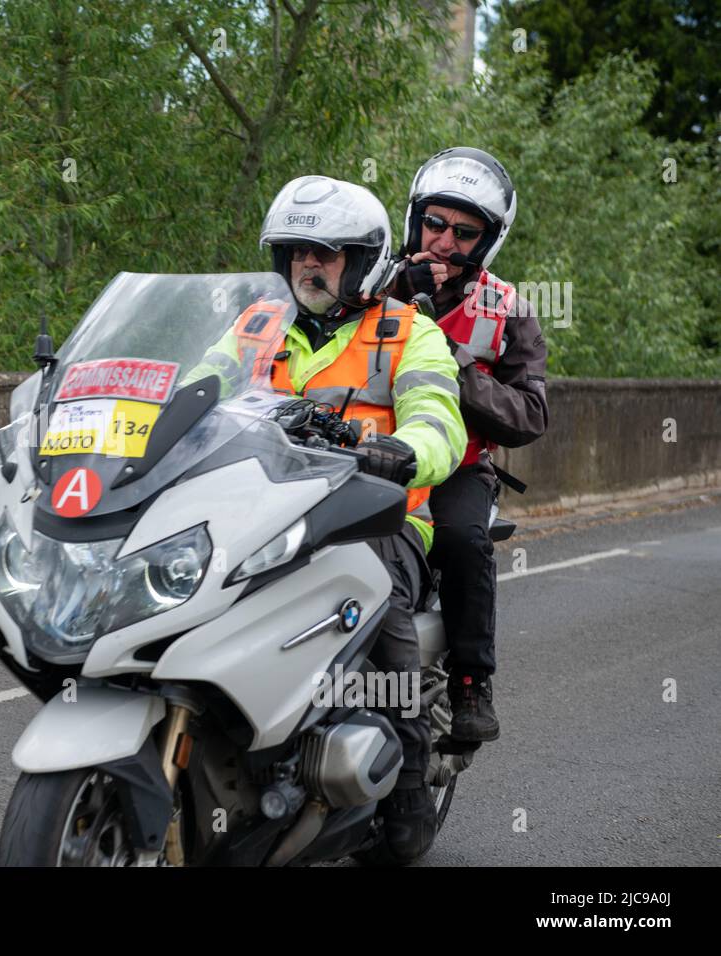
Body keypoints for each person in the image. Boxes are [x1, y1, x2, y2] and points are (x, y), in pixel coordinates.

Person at [188, 175, 466, 862]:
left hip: (374, 516)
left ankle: (403, 790)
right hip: (257, 508)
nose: (307, 264)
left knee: (380, 610)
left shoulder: (410, 332)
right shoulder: (255, 326)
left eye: (326, 251)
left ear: (364, 258)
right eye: (294, 252)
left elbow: (441, 423)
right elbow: (193, 391)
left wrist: (404, 451)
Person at [392, 147, 549, 742]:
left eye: (464, 233)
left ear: (485, 243)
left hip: (456, 465)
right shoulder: (370, 279)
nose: (444, 242)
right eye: (435, 223)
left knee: (462, 538)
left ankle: (469, 684)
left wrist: (456, 371)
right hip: (367, 453)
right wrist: (390, 291)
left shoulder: (508, 311)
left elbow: (531, 414)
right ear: (416, 221)